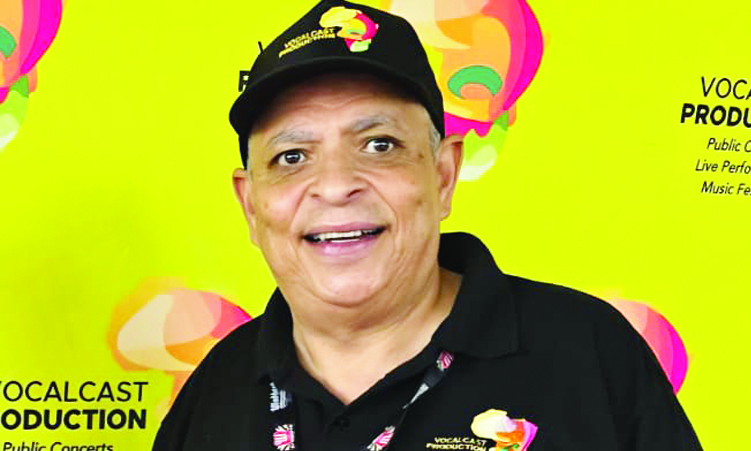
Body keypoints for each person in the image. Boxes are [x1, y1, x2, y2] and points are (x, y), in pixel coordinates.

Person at [153, 1, 702, 450]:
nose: (336, 185)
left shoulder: (589, 353)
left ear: (442, 176)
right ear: (251, 205)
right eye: (291, 157)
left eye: (379, 145)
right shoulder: (215, 388)